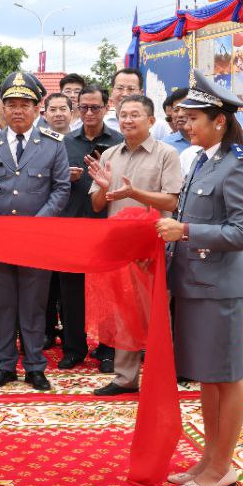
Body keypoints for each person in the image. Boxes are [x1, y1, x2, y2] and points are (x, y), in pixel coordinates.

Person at [155, 71, 243, 486]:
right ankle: (208, 459)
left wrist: (186, 232)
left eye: (194, 118)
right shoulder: (203, 160)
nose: (186, 125)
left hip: (221, 288)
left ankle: (222, 466)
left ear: (219, 121)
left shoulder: (237, 165)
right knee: (208, 378)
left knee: (228, 377)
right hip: (196, 284)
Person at [0, 71, 70, 392]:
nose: (18, 110)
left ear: (38, 107)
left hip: (37, 240)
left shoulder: (54, 145)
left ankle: (34, 366)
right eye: (11, 104)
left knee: (33, 305)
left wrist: (37, 225)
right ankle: (4, 365)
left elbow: (60, 189)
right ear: (0, 107)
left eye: (25, 104)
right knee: (2, 306)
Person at [87, 95, 183, 395]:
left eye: (135, 115)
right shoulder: (110, 156)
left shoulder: (166, 154)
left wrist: (135, 192)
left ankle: (159, 376)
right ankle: (124, 377)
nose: (127, 120)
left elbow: (171, 200)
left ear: (151, 120)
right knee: (124, 311)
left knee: (156, 313)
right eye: (123, 114)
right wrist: (104, 190)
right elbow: (96, 204)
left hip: (154, 244)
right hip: (119, 246)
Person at [58, 85, 123, 371]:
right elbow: (51, 182)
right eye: (82, 107)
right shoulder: (64, 142)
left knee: (108, 291)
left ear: (106, 107)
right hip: (72, 225)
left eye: (95, 107)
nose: (88, 113)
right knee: (71, 291)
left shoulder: (120, 142)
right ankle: (74, 348)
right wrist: (65, 178)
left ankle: (108, 349)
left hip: (108, 225)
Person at [105, 68, 144, 133]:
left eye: (131, 89)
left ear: (141, 93)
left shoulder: (157, 126)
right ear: (112, 92)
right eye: (120, 88)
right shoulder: (102, 124)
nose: (125, 94)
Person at [160, 88, 192, 154]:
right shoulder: (163, 146)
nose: (180, 115)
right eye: (176, 110)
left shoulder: (213, 140)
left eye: (185, 109)